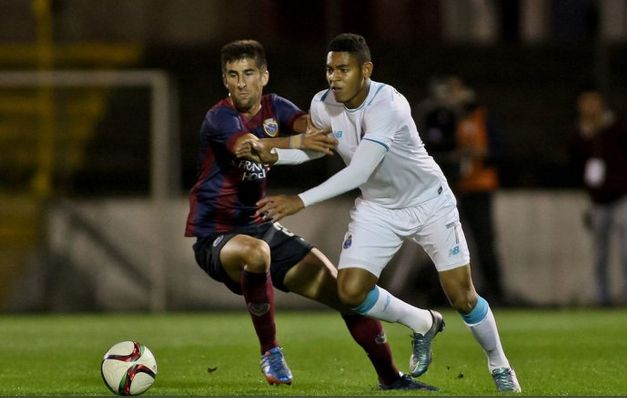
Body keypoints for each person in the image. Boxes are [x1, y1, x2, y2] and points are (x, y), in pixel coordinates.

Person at [252, 33, 521, 393]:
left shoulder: (388, 104)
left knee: (462, 296)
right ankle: (423, 322)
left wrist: (299, 200)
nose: (334, 77)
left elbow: (360, 170)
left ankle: (500, 364)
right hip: (378, 208)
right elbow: (320, 149)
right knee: (350, 293)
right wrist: (274, 155)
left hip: (429, 202)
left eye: (343, 69)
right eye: (330, 69)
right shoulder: (322, 105)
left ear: (366, 70)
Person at [183, 39, 434, 391]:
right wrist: (300, 144)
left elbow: (310, 126)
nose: (241, 82)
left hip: (261, 226)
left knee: (346, 293)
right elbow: (248, 146)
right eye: (233, 75)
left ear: (264, 76)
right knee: (256, 254)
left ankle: (391, 378)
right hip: (216, 235)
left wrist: (324, 130)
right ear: (225, 80)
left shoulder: (275, 107)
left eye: (249, 73)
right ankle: (270, 350)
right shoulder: (219, 118)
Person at [570, 86, 627, 306]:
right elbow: (574, 162)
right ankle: (603, 297)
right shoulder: (579, 134)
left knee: (624, 251)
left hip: (621, 197)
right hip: (597, 201)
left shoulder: (617, 127)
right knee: (599, 254)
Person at [453, 82, 506, 305]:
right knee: (454, 244)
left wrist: (480, 154)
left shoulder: (483, 119)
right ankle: (458, 291)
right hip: (457, 190)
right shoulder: (451, 120)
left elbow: (498, 151)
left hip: (480, 189)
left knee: (485, 242)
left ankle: (495, 292)